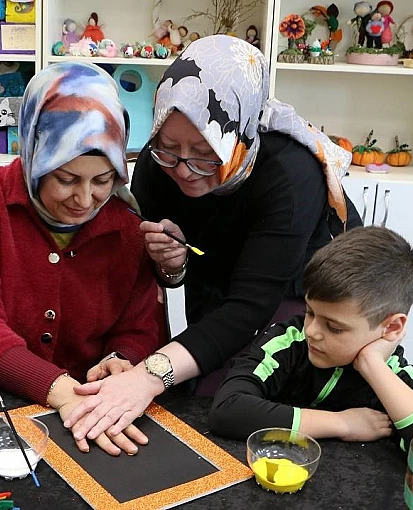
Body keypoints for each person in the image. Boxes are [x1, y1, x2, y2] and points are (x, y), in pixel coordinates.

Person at [63, 35, 361, 442]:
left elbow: (249, 307)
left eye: (206, 152)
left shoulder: (290, 177)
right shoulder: (156, 167)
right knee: (203, 404)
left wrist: (148, 377)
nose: (184, 169)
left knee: (265, 412)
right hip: (221, 290)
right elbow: (179, 274)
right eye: (169, 147)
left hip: (298, 300)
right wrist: (174, 263)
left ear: (238, 135)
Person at [0, 61, 164, 456]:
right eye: (66, 179)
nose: (84, 200)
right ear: (34, 154)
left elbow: (141, 328)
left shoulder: (127, 229)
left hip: (88, 408)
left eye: (102, 180)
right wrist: (61, 392)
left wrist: (120, 359)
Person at [210, 226, 413, 478]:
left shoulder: (396, 376)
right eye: (310, 312)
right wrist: (342, 423)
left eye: (334, 327)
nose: (311, 331)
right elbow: (227, 410)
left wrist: (372, 364)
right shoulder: (289, 339)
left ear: (391, 327)